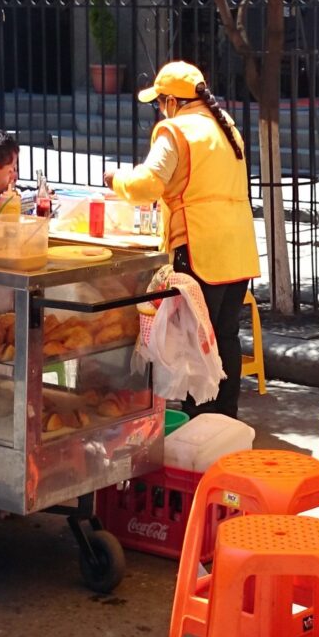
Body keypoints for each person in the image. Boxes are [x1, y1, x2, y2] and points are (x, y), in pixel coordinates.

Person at [106, 62, 259, 418]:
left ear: (172, 101)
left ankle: (198, 423)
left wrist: (115, 178)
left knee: (195, 340)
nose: (160, 108)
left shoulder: (175, 131)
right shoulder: (227, 128)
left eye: (160, 102)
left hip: (200, 247)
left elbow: (148, 184)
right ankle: (225, 420)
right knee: (224, 336)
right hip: (237, 249)